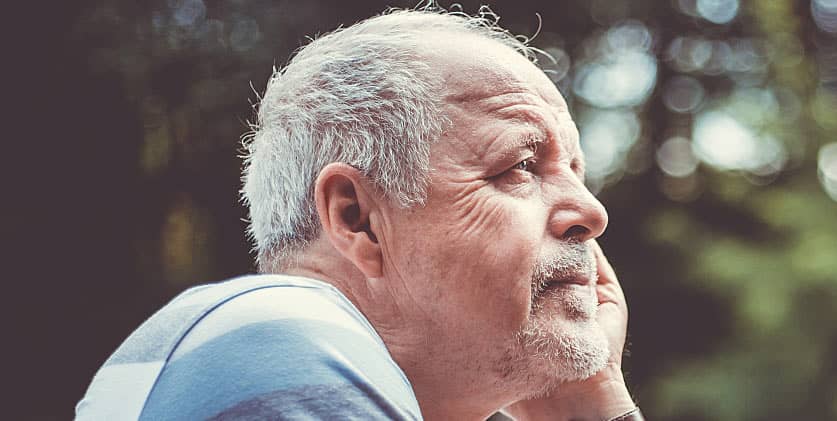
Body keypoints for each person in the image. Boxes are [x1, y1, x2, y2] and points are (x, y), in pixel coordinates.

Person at [75, 7, 641, 420]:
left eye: (575, 171)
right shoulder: (282, 335)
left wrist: (590, 407)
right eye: (520, 165)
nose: (590, 212)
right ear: (356, 219)